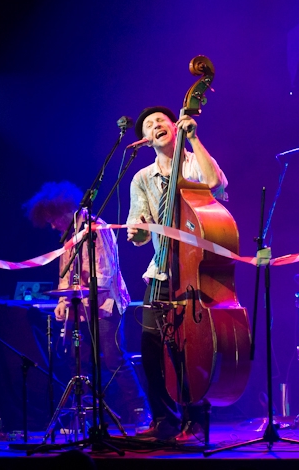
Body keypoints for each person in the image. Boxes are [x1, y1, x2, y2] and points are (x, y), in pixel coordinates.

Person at [126, 106, 228, 442]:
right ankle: (163, 420)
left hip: (195, 271)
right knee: (151, 348)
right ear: (145, 139)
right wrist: (137, 232)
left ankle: (194, 420)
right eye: (149, 124)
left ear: (175, 126)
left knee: (190, 349)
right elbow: (139, 231)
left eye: (161, 120)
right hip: (160, 271)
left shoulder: (194, 162)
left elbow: (216, 185)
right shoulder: (141, 178)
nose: (155, 125)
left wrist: (195, 139)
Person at [23, 181, 148, 425]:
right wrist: (63, 300)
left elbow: (105, 272)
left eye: (53, 219)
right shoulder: (68, 236)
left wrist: (78, 295)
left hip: (105, 305)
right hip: (80, 307)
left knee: (114, 359)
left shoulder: (96, 228)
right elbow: (65, 272)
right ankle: (86, 414)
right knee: (78, 361)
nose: (52, 225)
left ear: (65, 211)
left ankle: (139, 409)